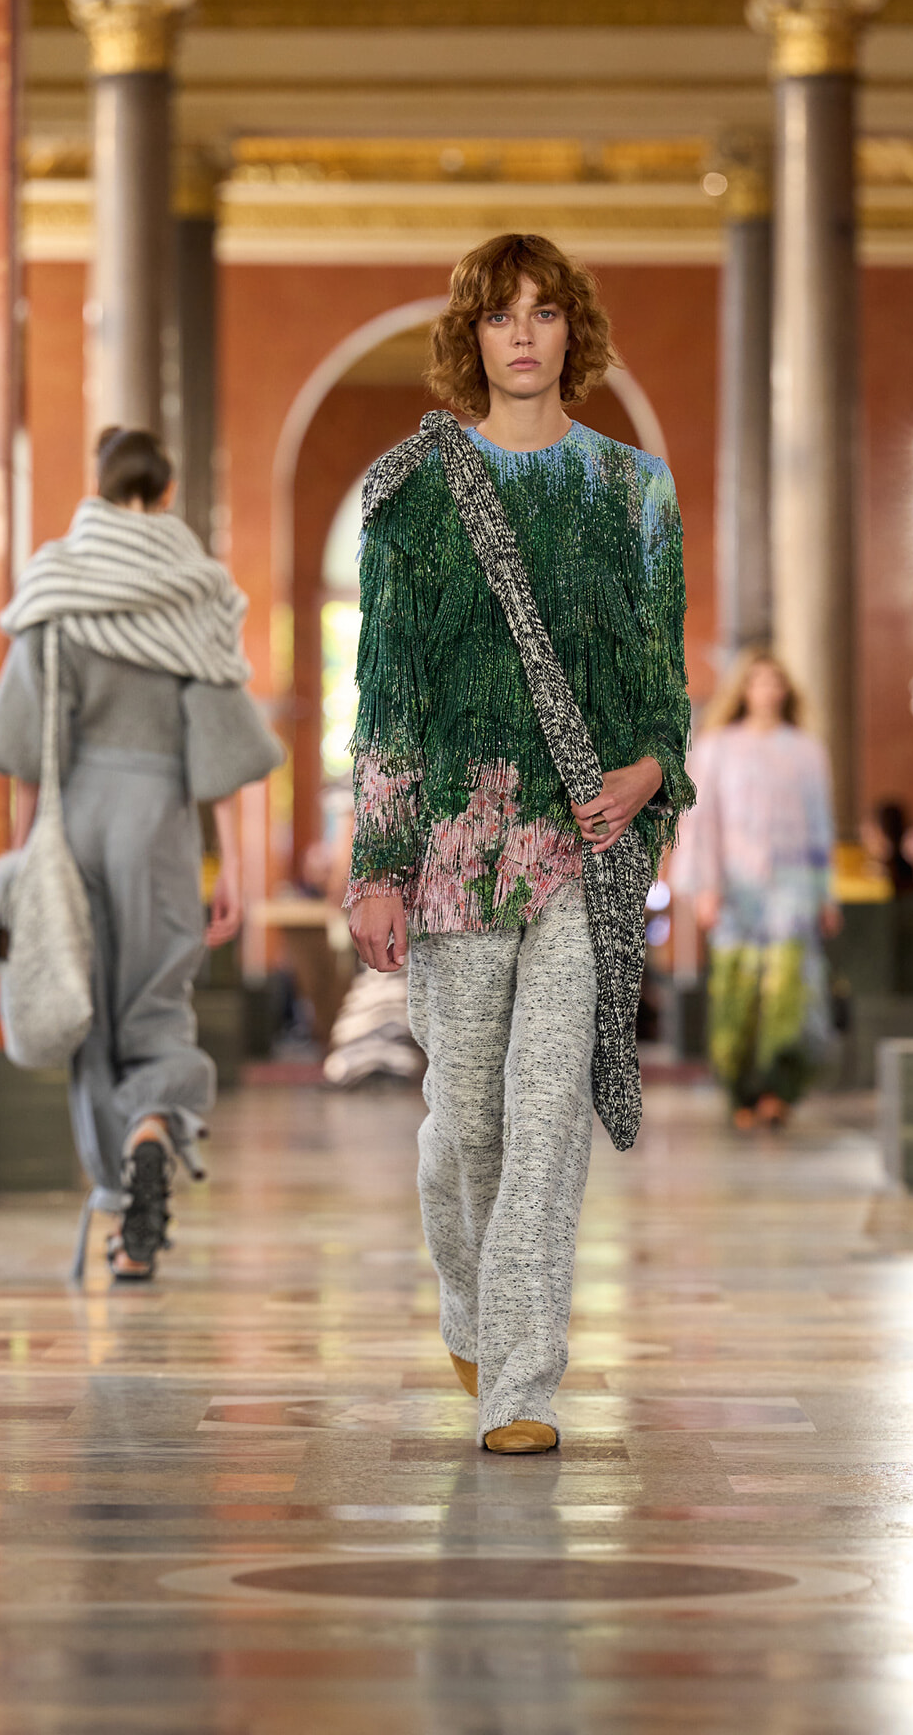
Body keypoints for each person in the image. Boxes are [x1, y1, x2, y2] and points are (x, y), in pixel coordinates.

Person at [345, 232, 693, 1453]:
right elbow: (386, 691)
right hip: (452, 852)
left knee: (545, 1115)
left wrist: (648, 772)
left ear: (572, 330)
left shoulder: (633, 494)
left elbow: (666, 696)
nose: (527, 334)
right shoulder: (413, 494)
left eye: (547, 312)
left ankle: (521, 1386)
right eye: (503, 315)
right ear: (473, 336)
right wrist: (373, 865)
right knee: (469, 1125)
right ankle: (468, 1300)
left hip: (586, 859)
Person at [0, 427, 282, 1281]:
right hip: (163, 825)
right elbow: (218, 753)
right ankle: (155, 1128)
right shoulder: (196, 592)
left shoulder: (58, 584)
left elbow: (27, 743)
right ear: (169, 486)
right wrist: (233, 870)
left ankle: (117, 1202)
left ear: (99, 484)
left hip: (73, 820)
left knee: (88, 1014)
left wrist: (28, 854)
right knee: (158, 1007)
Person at [675, 648, 840, 1130]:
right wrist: (705, 887)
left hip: (792, 887)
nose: (767, 691)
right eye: (758, 681)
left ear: (785, 690)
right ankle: (740, 1090)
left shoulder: (806, 750)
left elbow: (820, 826)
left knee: (791, 988)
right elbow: (702, 821)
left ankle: (780, 1088)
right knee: (737, 990)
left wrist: (826, 893)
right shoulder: (717, 747)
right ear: (743, 689)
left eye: (776, 682)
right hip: (734, 887)